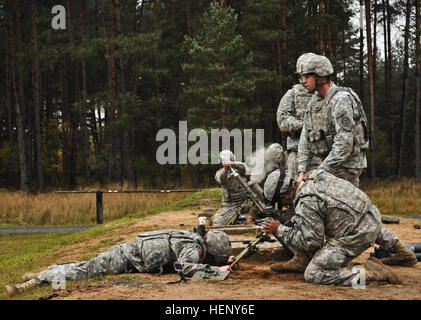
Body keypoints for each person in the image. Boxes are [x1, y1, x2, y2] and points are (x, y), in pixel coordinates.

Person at [262, 168, 417, 286]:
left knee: (314, 273)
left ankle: (372, 274)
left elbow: (312, 241)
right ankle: (405, 253)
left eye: (281, 200)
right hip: (371, 216)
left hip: (354, 236)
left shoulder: (307, 202)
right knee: (356, 221)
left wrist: (279, 229)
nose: (284, 204)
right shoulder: (315, 174)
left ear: (287, 191)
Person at [5, 229, 233, 297]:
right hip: (124, 257)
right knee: (86, 272)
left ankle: (44, 273)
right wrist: (217, 273)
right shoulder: (193, 248)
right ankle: (33, 283)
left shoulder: (190, 238)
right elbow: (187, 268)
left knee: (87, 266)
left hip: (129, 257)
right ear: (211, 251)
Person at [296, 54, 369, 187]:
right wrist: (301, 171)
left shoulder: (341, 99)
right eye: (302, 77)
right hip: (325, 167)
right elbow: (305, 138)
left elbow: (345, 143)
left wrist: (321, 171)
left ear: (320, 77)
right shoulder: (314, 101)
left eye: (307, 76)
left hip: (344, 168)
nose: (303, 81)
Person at [277, 53, 316, 179]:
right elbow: (282, 119)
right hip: (297, 151)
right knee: (296, 189)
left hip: (323, 153)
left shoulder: (326, 93)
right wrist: (302, 126)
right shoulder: (293, 93)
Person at [212, 150, 260, 226]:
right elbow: (220, 179)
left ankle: (249, 219)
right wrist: (226, 169)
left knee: (261, 206)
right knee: (218, 224)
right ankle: (216, 216)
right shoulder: (219, 173)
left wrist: (232, 164)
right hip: (230, 206)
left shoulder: (240, 169)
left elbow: (245, 168)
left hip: (247, 202)